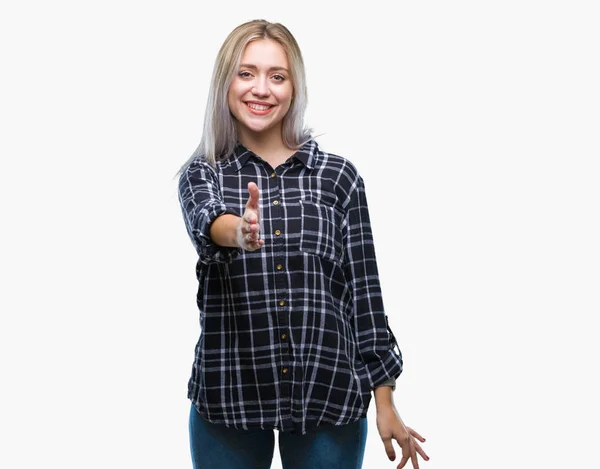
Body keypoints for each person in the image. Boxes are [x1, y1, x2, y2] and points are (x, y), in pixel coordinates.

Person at [176, 19, 429, 469]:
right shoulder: (205, 172)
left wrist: (385, 398)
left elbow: (365, 295)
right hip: (227, 398)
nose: (261, 89)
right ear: (226, 83)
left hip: (328, 396)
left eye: (277, 76)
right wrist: (238, 231)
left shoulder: (339, 179)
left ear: (294, 88)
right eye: (246, 72)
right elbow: (206, 222)